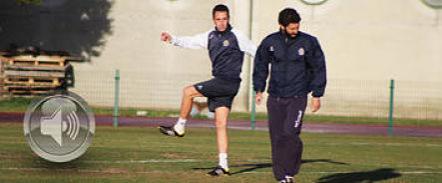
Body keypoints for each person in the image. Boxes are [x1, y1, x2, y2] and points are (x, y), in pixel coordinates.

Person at [159, 4, 256, 176]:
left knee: (188, 91)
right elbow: (190, 41)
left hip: (229, 82)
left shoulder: (237, 36)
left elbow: (256, 51)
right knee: (220, 124)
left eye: (224, 19)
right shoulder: (209, 36)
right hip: (221, 83)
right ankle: (223, 164)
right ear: (213, 20)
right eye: (218, 19)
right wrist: (172, 39)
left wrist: (276, 62)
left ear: (229, 19)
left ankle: (179, 127)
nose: (221, 22)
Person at [253, 8, 327, 183]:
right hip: (275, 97)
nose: (295, 31)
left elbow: (319, 67)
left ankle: (291, 170)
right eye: (292, 28)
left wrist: (317, 94)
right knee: (277, 138)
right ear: (281, 26)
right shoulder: (270, 42)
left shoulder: (309, 42)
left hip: (297, 97)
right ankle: (282, 177)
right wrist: (259, 89)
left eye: (297, 27)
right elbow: (260, 65)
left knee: (290, 134)